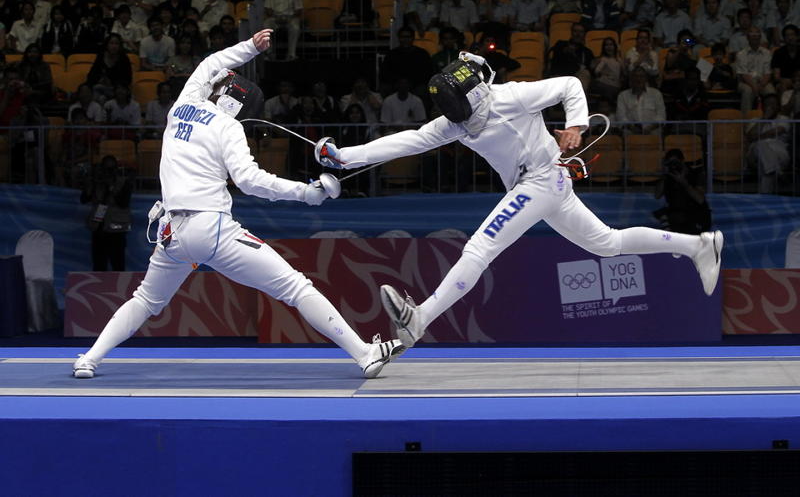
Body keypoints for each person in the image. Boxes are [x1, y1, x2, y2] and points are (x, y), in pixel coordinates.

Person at [316, 52, 723, 349]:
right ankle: (699, 246)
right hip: (546, 185)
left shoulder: (511, 96)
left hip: (543, 180)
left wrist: (576, 127)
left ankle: (419, 319)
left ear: (476, 94)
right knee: (607, 243)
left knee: (480, 247)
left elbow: (570, 85)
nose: (460, 118)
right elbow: (408, 141)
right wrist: (344, 157)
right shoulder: (456, 123)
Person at [72, 29, 405, 379]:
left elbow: (210, 63)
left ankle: (88, 359)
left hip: (171, 234)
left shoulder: (182, 105)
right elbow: (250, 181)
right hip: (210, 229)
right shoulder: (227, 128)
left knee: (145, 300)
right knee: (295, 287)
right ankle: (364, 354)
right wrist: (305, 193)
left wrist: (250, 47)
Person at [654, 149, 712, 234]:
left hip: (696, 214)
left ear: (682, 161)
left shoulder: (696, 174)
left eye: (675, 162)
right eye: (670, 163)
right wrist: (665, 175)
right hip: (677, 214)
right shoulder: (668, 177)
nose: (674, 166)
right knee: (665, 215)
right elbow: (657, 195)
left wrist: (684, 183)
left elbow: (700, 199)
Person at [746, 94, 790, 193]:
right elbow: (750, 136)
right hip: (755, 156)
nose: (770, 107)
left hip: (779, 154)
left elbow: (779, 130)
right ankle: (778, 172)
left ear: (778, 106)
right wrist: (764, 119)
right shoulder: (754, 120)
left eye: (773, 104)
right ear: (763, 107)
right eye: (768, 104)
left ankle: (764, 197)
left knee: (767, 171)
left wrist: (758, 137)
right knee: (761, 145)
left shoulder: (784, 119)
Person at [616, 66, 666, 134]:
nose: (638, 79)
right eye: (635, 76)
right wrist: (632, 128)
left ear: (646, 79)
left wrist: (650, 128)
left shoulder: (656, 94)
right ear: (631, 79)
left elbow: (661, 116)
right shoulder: (622, 96)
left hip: (653, 135)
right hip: (630, 135)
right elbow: (621, 117)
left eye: (641, 76)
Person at [736, 26, 775, 112]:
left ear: (760, 37)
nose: (754, 35)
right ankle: (746, 119)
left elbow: (768, 73)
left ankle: (770, 118)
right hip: (746, 82)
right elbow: (744, 75)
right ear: (747, 37)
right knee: (748, 91)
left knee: (770, 91)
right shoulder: (741, 54)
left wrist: (761, 85)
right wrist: (754, 86)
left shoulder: (767, 53)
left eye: (757, 33)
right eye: (752, 33)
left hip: (763, 81)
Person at [547, 22, 594, 88]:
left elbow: (590, 70)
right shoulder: (561, 44)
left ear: (584, 34)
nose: (578, 34)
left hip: (576, 80)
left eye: (581, 32)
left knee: (585, 73)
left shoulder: (587, 52)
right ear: (571, 32)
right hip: (560, 76)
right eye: (575, 31)